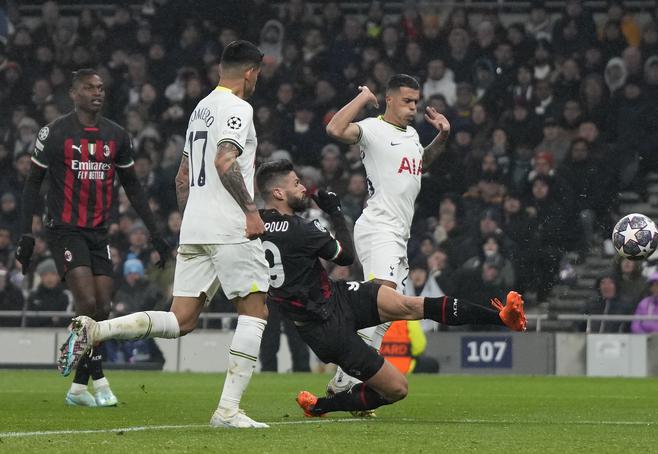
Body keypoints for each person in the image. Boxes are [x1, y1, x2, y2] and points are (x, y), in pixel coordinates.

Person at [57, 41, 271, 429]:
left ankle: (96, 328)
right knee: (255, 311)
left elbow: (182, 178)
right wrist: (251, 211)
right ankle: (227, 411)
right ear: (251, 72)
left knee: (181, 320)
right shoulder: (239, 108)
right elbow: (226, 161)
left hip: (195, 226)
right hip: (230, 225)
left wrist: (194, 220)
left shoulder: (200, 109)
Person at [254, 160, 525, 416]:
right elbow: (346, 257)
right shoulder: (300, 228)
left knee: (409, 305)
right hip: (325, 327)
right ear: (278, 192)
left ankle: (501, 317)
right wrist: (335, 211)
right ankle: (322, 406)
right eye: (296, 183)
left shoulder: (253, 225)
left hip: (334, 298)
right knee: (397, 389)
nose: (303, 187)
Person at [14, 68, 171, 408]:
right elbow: (32, 184)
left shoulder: (117, 135)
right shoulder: (54, 133)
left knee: (103, 308)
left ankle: (78, 388)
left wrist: (156, 234)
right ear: (73, 93)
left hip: (98, 231)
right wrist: (26, 234)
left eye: (100, 87)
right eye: (89, 87)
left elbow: (133, 186)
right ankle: (99, 378)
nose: (97, 92)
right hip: (64, 229)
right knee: (86, 304)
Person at [325, 74, 450, 401]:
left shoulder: (410, 135)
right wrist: (364, 98)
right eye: (407, 101)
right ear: (390, 99)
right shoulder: (373, 128)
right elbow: (335, 129)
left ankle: (346, 380)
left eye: (416, 102)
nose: (413, 108)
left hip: (396, 232)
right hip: (380, 227)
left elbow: (420, 163)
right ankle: (347, 382)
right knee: (382, 303)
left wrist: (444, 136)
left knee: (385, 314)